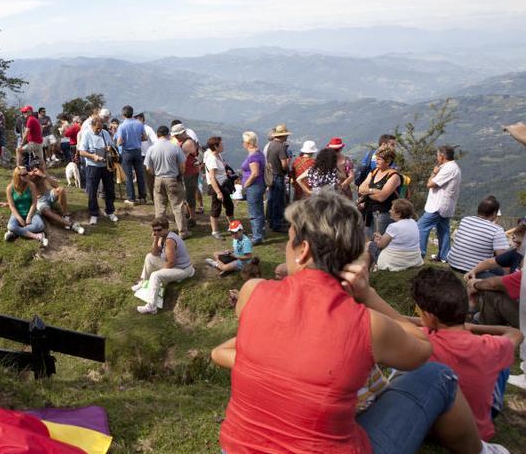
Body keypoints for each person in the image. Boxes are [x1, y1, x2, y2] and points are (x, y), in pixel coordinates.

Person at [211, 191, 509, 454]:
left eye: (289, 242)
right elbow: (422, 349)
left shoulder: (252, 292)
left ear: (303, 251)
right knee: (439, 374)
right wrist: (369, 295)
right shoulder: (367, 325)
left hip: (236, 447)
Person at [411, 267, 523, 440]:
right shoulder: (489, 346)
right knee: (501, 363)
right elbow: (516, 334)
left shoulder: (421, 339)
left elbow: (396, 319)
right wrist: (474, 327)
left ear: (427, 316)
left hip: (431, 429)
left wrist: (423, 322)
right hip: (477, 431)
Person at [130, 218, 194, 315]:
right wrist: (156, 238)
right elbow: (154, 253)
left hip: (182, 269)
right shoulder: (162, 237)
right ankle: (143, 283)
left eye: (159, 230)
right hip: (175, 266)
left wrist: (160, 273)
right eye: (154, 230)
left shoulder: (169, 240)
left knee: (155, 276)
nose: (156, 232)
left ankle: (152, 307)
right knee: (149, 257)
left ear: (166, 228)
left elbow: (171, 262)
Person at [418, 145, 462, 262]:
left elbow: (430, 184)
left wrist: (433, 173)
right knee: (443, 230)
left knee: (421, 227)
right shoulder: (453, 167)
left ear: (442, 157)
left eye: (438, 156)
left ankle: (420, 254)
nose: (437, 158)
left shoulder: (448, 168)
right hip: (445, 205)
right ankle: (444, 256)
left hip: (438, 206)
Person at [144, 125, 188, 238]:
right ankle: (182, 232)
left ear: (158, 135)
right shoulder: (175, 147)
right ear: (168, 135)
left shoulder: (151, 149)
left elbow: (148, 168)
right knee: (177, 206)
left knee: (160, 207)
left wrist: (155, 175)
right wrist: (179, 175)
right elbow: (183, 166)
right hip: (173, 178)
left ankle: (158, 231)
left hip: (158, 178)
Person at [448, 196, 510, 274]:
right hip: (474, 270)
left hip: (453, 264)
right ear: (494, 213)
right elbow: (503, 257)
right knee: (501, 269)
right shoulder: (497, 230)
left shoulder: (465, 220)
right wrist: (509, 276)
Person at [78, 114, 118, 225]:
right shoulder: (86, 134)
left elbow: (112, 146)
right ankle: (94, 213)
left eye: (101, 127)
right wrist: (93, 156)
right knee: (92, 191)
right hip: (92, 166)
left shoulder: (105, 133)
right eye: (97, 128)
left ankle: (110, 211)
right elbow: (81, 151)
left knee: (109, 189)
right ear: (92, 125)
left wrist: (110, 148)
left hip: (106, 165)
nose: (99, 130)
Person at [369, 198, 424, 271]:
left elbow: (380, 245)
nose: (389, 211)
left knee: (369, 244)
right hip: (413, 260)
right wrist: (382, 238)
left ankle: (368, 270)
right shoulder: (413, 223)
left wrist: (377, 240)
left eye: (391, 209)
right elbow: (400, 241)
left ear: (399, 214)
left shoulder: (393, 227)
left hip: (394, 262)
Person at [358, 145, 401, 236]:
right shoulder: (374, 171)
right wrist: (374, 190)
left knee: (380, 241)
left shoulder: (394, 176)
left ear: (388, 161)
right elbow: (361, 189)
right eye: (376, 158)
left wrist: (368, 192)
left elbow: (382, 197)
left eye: (379, 159)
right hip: (369, 212)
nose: (376, 161)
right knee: (369, 240)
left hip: (384, 214)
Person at [28, 167, 85, 234]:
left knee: (61, 190)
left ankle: (65, 215)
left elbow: (56, 185)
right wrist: (31, 175)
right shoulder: (28, 176)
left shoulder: (41, 172)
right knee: (45, 211)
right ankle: (71, 225)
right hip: (39, 200)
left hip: (48, 194)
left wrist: (44, 176)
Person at [4, 166, 48, 246]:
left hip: (32, 212)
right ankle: (37, 236)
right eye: (23, 175)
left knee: (40, 225)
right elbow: (12, 206)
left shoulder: (31, 185)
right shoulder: (10, 188)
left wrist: (29, 216)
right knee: (10, 226)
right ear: (17, 176)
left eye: (26, 173)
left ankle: (15, 232)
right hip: (17, 213)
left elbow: (34, 203)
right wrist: (20, 218)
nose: (26, 175)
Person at [204, 136, 235, 240]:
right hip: (216, 186)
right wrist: (218, 192)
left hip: (223, 184)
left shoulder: (218, 155)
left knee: (229, 206)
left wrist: (226, 172)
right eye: (221, 144)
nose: (223, 146)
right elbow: (212, 177)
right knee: (216, 208)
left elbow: (219, 171)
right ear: (215, 146)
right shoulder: (212, 159)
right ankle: (215, 231)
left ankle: (233, 228)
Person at [115, 105, 147, 206]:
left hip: (127, 152)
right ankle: (142, 197)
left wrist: (118, 144)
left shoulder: (122, 126)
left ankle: (131, 198)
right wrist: (137, 140)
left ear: (123, 114)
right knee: (140, 175)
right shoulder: (139, 124)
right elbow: (145, 138)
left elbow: (119, 142)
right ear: (132, 113)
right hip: (137, 151)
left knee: (128, 176)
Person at [172, 124, 201, 229]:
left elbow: (182, 159)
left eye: (177, 135)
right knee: (184, 194)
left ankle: (192, 217)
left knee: (189, 194)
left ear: (183, 133)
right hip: (185, 171)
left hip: (190, 172)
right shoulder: (181, 141)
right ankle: (188, 214)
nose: (175, 137)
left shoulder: (188, 143)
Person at [264, 123, 291, 232]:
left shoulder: (270, 145)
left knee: (272, 199)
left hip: (271, 175)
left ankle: (271, 220)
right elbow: (284, 164)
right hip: (278, 176)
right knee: (278, 201)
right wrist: (287, 171)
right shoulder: (281, 147)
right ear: (283, 135)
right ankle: (277, 224)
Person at [241, 131, 266, 244]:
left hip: (253, 186)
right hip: (259, 185)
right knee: (259, 210)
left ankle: (257, 237)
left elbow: (255, 173)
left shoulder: (253, 156)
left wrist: (246, 185)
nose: (242, 144)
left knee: (254, 212)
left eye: (243, 141)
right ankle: (259, 232)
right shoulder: (258, 153)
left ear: (248, 142)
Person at [136, 112, 158, 201]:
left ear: (141, 118)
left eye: (136, 118)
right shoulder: (135, 129)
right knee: (140, 177)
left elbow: (155, 142)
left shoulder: (148, 129)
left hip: (147, 156)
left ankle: (154, 198)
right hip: (137, 155)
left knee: (149, 178)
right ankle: (143, 196)